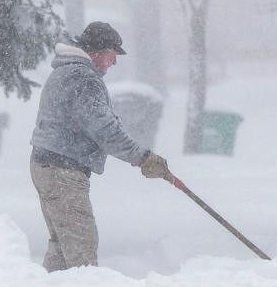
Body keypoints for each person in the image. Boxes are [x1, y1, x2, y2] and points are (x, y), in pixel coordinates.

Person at [30, 21, 171, 272]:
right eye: (112, 54)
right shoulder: (82, 78)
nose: (114, 62)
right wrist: (143, 158)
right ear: (97, 51)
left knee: (64, 245)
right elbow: (105, 130)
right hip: (62, 169)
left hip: (50, 165)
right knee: (81, 248)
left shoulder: (70, 72)